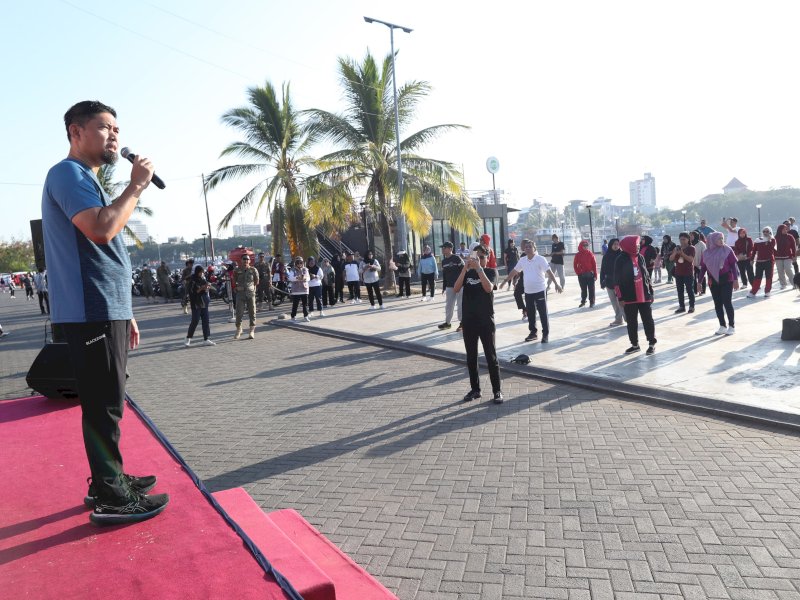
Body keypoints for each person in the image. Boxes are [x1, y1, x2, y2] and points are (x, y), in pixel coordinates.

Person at [41, 100, 167, 524]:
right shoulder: (67, 173)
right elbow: (100, 229)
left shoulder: (86, 178)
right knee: (103, 405)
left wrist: (124, 308)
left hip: (104, 308)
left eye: (117, 128)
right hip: (90, 310)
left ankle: (108, 479)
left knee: (107, 400)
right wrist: (136, 186)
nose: (114, 135)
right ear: (76, 133)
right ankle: (113, 497)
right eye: (103, 127)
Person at [453, 244, 503, 404]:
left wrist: (479, 269)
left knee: (491, 357)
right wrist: (465, 268)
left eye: (482, 257)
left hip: (485, 320)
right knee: (471, 357)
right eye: (476, 257)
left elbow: (488, 288)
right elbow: (456, 288)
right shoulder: (467, 274)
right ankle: (475, 389)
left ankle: (497, 391)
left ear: (487, 259)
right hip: (469, 321)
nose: (479, 260)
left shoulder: (491, 271)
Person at [502, 239, 562, 344]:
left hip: (540, 290)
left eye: (530, 247)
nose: (528, 249)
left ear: (534, 248)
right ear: (524, 249)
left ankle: (545, 334)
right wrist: (505, 281)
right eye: (526, 247)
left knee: (543, 313)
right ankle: (533, 333)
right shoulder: (523, 260)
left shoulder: (540, 259)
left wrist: (556, 284)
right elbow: (514, 271)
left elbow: (549, 272)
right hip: (528, 292)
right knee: (531, 313)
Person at [614, 236, 657, 355]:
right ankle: (635, 345)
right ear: (629, 246)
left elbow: (646, 276)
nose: (638, 248)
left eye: (639, 246)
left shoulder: (641, 257)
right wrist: (620, 297)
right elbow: (617, 280)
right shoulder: (620, 259)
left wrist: (651, 292)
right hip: (629, 297)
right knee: (632, 322)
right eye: (636, 246)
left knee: (648, 320)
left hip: (644, 295)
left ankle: (652, 344)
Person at [699, 232, 739, 335]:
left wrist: (735, 280)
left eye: (722, 238)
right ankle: (722, 325)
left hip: (727, 279)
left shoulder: (727, 250)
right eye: (719, 239)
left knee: (727, 302)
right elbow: (703, 268)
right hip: (713, 281)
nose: (722, 241)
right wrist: (699, 282)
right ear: (712, 241)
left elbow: (733, 266)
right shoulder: (706, 253)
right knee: (717, 304)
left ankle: (731, 326)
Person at [184, 265, 215, 346]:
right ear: (197, 272)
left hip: (204, 303)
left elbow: (208, 288)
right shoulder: (192, 281)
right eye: (201, 272)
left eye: (203, 272)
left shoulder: (203, 279)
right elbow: (193, 293)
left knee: (206, 321)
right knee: (195, 321)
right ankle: (188, 338)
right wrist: (201, 288)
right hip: (196, 304)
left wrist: (208, 286)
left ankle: (206, 339)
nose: (202, 273)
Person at [599, 238, 625, 326]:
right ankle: (618, 319)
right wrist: (602, 281)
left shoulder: (622, 255)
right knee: (614, 302)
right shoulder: (606, 256)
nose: (616, 245)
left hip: (620, 283)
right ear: (610, 245)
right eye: (614, 244)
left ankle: (628, 319)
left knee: (621, 302)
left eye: (617, 244)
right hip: (609, 282)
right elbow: (602, 269)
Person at [438, 241, 464, 330]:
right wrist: (444, 287)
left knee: (460, 304)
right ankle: (447, 323)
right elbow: (445, 275)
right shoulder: (444, 261)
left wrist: (464, 283)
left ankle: (462, 323)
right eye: (442, 248)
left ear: (450, 249)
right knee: (449, 305)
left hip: (460, 286)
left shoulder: (457, 258)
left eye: (444, 248)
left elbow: (464, 271)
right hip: (449, 286)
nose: (442, 249)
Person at [233, 254, 259, 339]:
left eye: (247, 259)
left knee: (252, 312)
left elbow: (256, 281)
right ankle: (238, 329)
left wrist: (251, 287)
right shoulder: (237, 270)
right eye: (244, 259)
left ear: (249, 261)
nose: (246, 261)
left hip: (250, 293)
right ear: (241, 260)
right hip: (240, 294)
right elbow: (234, 281)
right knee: (239, 313)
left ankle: (251, 331)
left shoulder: (253, 270)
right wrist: (237, 287)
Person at [670, 232, 696, 314]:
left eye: (684, 239)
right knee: (679, 290)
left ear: (688, 239)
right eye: (681, 239)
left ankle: (691, 306)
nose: (682, 241)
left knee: (689, 290)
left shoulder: (691, 248)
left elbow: (690, 259)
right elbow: (671, 259)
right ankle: (682, 306)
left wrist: (682, 253)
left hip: (688, 272)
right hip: (678, 272)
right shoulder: (677, 248)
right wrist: (675, 252)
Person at [748, 227, 776, 298]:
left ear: (770, 232)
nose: (765, 233)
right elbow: (754, 251)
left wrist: (769, 240)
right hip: (759, 262)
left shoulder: (772, 240)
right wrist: (751, 259)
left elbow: (773, 249)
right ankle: (753, 292)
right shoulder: (758, 240)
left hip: (769, 261)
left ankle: (767, 291)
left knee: (769, 277)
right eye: (764, 231)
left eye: (767, 231)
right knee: (757, 277)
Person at [573, 239, 597, 308]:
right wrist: (578, 273)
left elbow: (594, 264)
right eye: (584, 245)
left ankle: (592, 302)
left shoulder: (590, 254)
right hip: (582, 275)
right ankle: (583, 301)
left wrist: (595, 274)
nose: (586, 247)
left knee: (591, 289)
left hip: (590, 274)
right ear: (581, 246)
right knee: (583, 289)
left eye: (587, 245)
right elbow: (575, 265)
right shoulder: (578, 255)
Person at [774, 223, 797, 289]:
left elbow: (793, 247)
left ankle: (794, 284)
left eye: (786, 229)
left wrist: (794, 255)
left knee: (788, 269)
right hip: (778, 257)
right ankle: (783, 284)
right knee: (780, 271)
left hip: (788, 257)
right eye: (784, 229)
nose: (785, 230)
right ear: (779, 230)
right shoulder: (775, 238)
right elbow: (773, 248)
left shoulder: (790, 236)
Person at [288, 256, 310, 321]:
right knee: (295, 304)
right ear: (296, 263)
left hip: (304, 289)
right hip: (296, 290)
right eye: (298, 262)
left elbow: (308, 278)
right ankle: (293, 316)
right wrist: (297, 278)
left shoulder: (305, 269)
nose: (300, 264)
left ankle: (306, 316)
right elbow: (290, 278)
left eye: (301, 262)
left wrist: (305, 278)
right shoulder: (292, 270)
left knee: (305, 304)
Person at [690, 231, 707, 295]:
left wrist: (702, 263)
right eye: (690, 235)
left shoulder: (701, 244)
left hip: (700, 263)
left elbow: (704, 253)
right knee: (693, 277)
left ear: (696, 236)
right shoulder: (689, 244)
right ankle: (695, 291)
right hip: (692, 264)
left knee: (701, 277)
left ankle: (702, 290)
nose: (690, 237)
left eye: (692, 235)